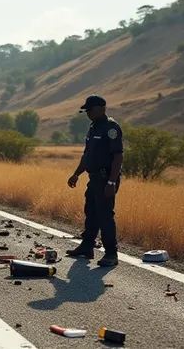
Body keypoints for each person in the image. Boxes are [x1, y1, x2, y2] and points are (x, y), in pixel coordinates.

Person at [65, 95, 123, 267]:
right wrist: (76, 174)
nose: (88, 113)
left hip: (106, 178)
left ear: (102, 108)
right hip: (94, 177)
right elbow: (87, 155)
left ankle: (111, 254)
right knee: (91, 212)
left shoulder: (111, 128)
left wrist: (112, 182)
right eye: (86, 111)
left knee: (105, 215)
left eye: (90, 110)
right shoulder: (93, 128)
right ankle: (87, 246)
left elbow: (118, 156)